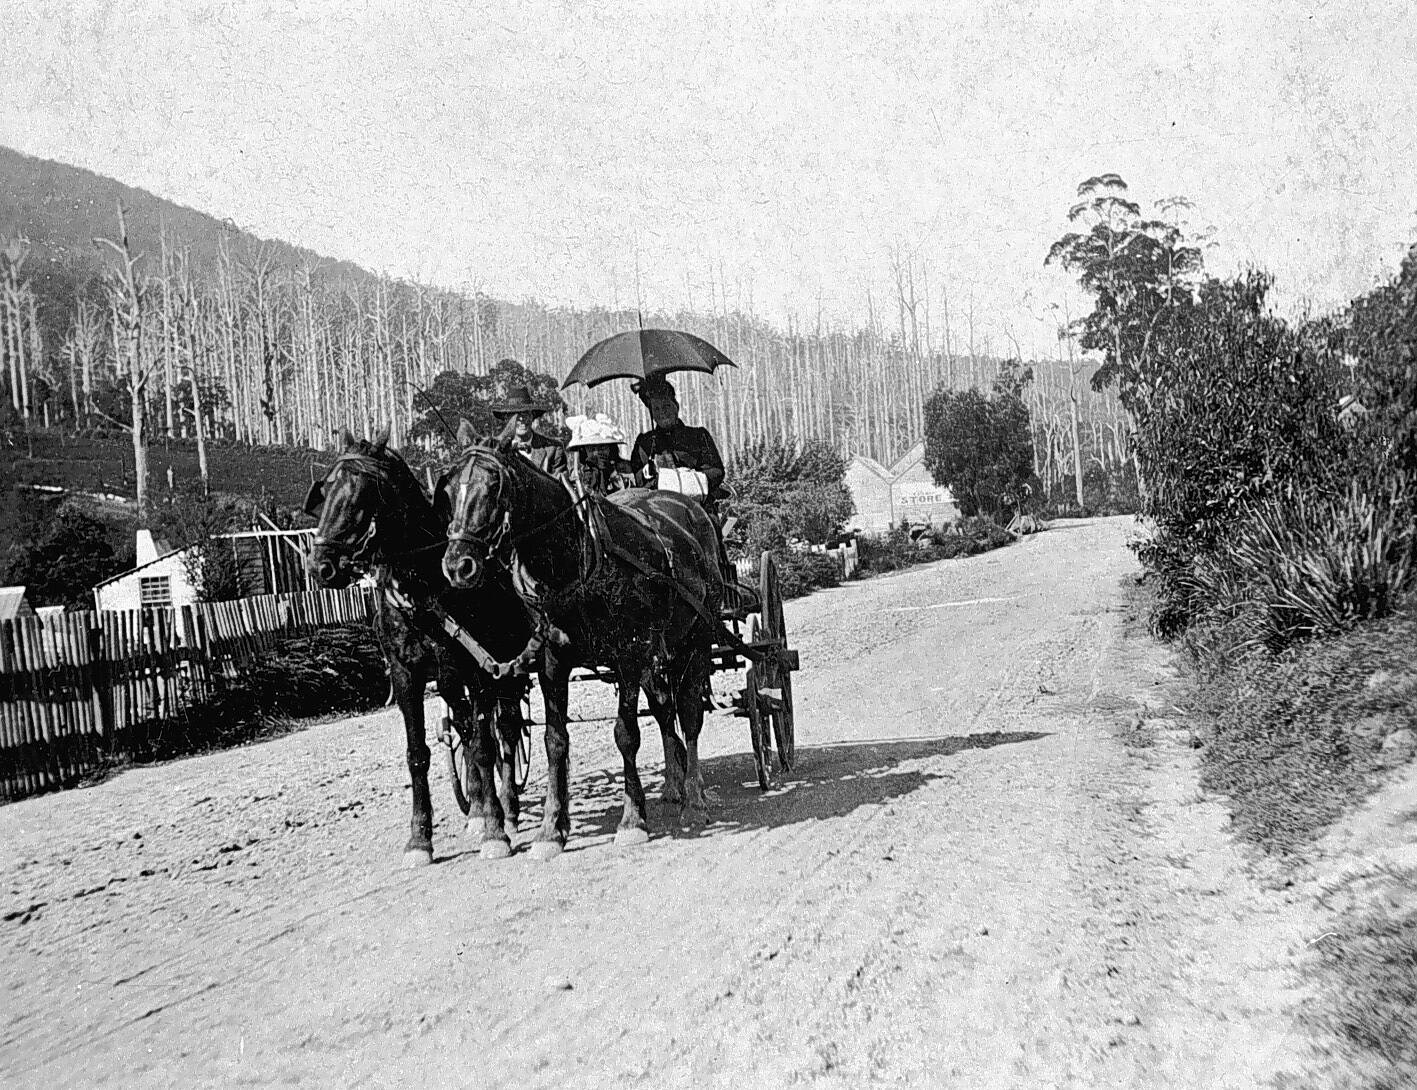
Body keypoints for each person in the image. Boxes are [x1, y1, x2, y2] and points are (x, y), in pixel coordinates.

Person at [628, 375, 725, 511]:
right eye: (656, 409)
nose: (662, 413)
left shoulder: (698, 436)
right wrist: (662, 481)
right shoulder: (644, 444)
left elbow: (717, 471)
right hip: (659, 509)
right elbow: (641, 482)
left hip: (697, 506)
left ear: (676, 406)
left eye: (666, 406)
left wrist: (687, 480)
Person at [490, 384, 567, 477]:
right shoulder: (496, 450)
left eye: (525, 414)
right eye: (516, 415)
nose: (521, 419)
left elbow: (558, 484)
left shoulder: (553, 449)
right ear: (508, 419)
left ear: (532, 417)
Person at [565, 412, 634, 495]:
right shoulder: (578, 475)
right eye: (592, 449)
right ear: (585, 451)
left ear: (610, 448)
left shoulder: (624, 470)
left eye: (602, 448)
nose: (597, 452)